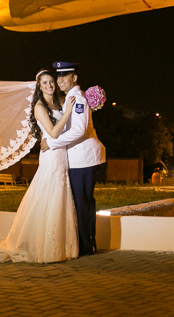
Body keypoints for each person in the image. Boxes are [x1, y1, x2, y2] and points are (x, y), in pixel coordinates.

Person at [0, 70, 79, 263]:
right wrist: (68, 112)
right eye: (44, 83)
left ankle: (61, 246)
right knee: (48, 194)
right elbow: (53, 133)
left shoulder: (57, 102)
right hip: (51, 155)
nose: (49, 85)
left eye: (51, 81)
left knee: (60, 193)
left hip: (61, 154)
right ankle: (44, 246)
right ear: (39, 86)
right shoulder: (39, 106)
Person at [40, 61, 106, 256]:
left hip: (84, 159)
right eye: (58, 76)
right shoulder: (70, 97)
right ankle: (85, 243)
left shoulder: (78, 99)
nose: (60, 80)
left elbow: (78, 130)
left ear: (74, 78)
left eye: (64, 76)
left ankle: (87, 246)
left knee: (82, 203)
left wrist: (52, 143)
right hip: (78, 159)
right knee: (80, 203)